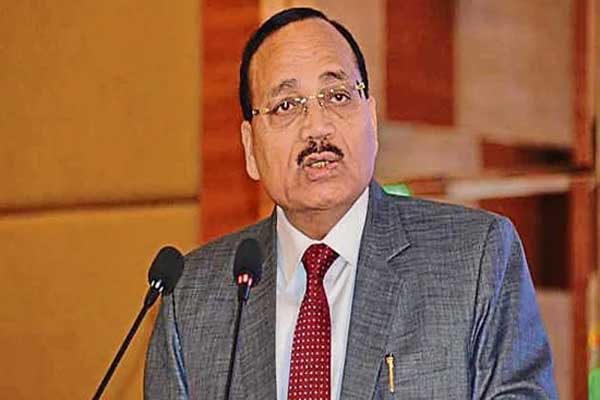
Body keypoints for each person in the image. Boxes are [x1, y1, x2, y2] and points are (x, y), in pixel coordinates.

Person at [145, 7, 557, 399]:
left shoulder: (474, 257)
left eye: (338, 95)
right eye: (286, 105)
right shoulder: (192, 296)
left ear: (371, 121)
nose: (317, 127)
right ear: (250, 147)